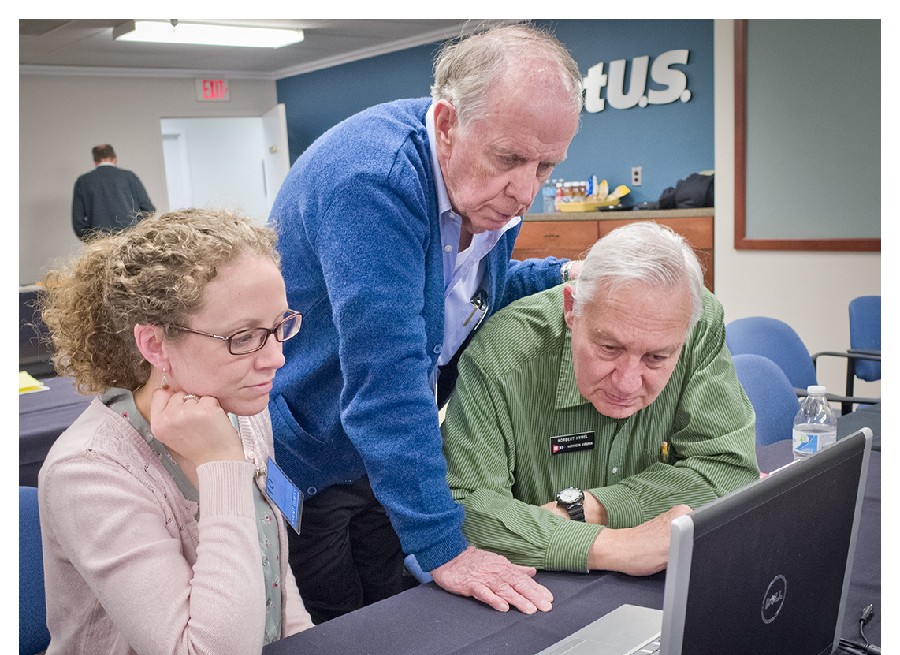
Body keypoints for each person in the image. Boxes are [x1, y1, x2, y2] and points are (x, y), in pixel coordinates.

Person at [268, 22, 583, 623]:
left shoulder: (481, 183)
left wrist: (565, 272)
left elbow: (458, 294)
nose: (525, 192)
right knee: (336, 630)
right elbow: (387, 378)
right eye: (510, 159)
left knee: (396, 612)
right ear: (446, 123)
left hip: (390, 451)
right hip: (313, 449)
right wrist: (445, 548)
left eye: (546, 166)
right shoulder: (373, 183)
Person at [34, 208, 313, 655]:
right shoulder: (89, 472)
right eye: (243, 337)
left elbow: (271, 570)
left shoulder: (239, 410)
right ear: (154, 344)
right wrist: (221, 467)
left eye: (280, 327)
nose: (276, 358)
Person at [441, 221, 761, 573]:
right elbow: (467, 508)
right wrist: (616, 548)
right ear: (572, 308)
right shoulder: (502, 352)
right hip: (541, 586)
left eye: (656, 357)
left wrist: (588, 508)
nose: (626, 384)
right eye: (609, 348)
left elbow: (729, 468)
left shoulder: (698, 321)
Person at [71, 143, 155, 239]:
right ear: (115, 158)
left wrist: (93, 240)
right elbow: (148, 210)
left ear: (95, 161)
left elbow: (78, 223)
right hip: (130, 240)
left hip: (101, 242)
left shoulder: (83, 181)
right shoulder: (129, 177)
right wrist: (137, 232)